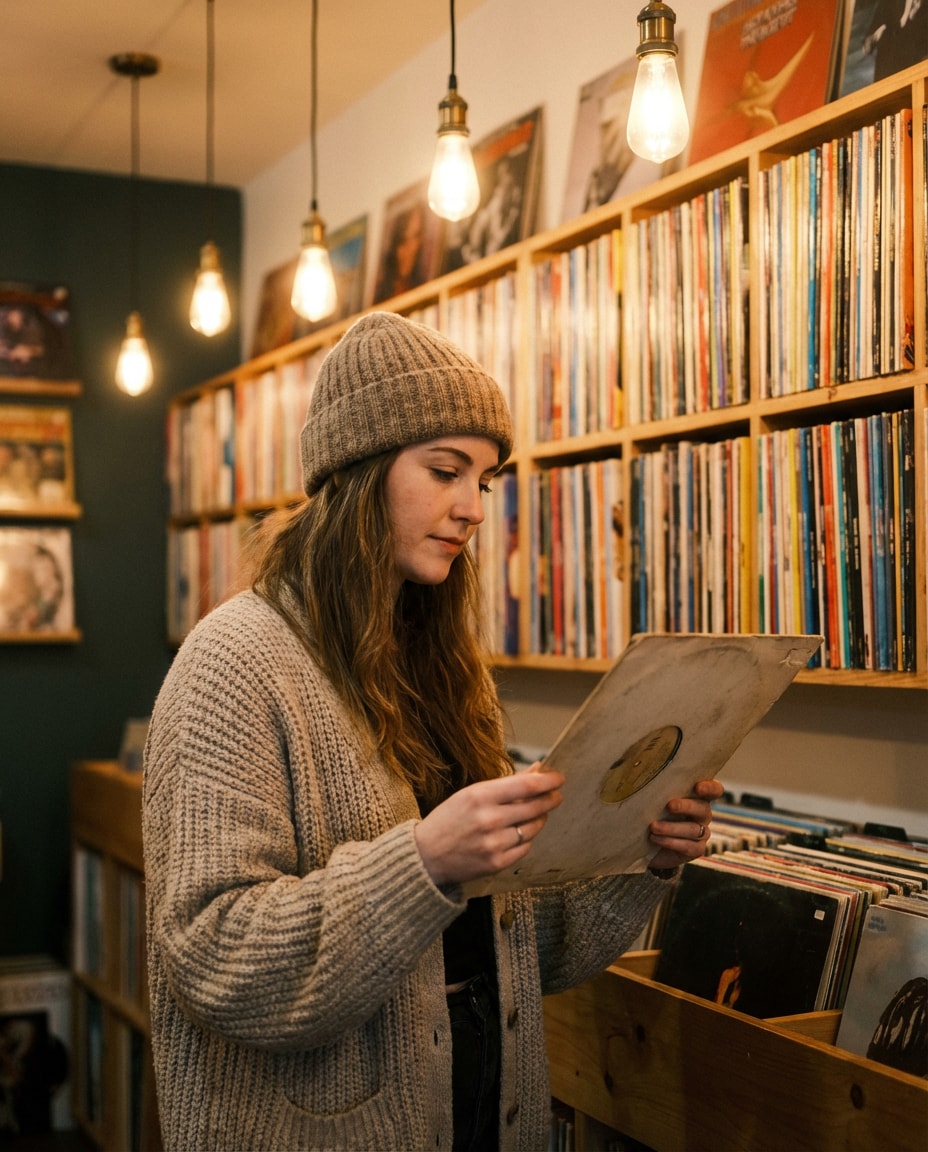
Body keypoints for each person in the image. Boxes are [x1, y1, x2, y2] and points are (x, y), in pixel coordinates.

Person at [143, 311, 722, 1152]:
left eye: (484, 481)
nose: (472, 507)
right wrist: (421, 863)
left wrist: (640, 855)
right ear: (357, 471)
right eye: (445, 470)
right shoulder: (232, 663)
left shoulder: (447, 674)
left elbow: (523, 951)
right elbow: (215, 957)